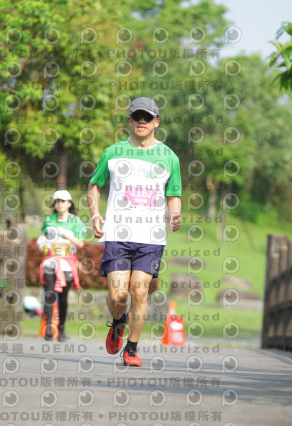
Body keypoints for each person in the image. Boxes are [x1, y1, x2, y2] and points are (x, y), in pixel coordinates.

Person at [87, 96, 182, 367]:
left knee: (139, 291)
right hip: (118, 233)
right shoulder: (113, 152)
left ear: (156, 122)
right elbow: (94, 186)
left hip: (150, 237)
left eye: (147, 117)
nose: (142, 122)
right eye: (137, 117)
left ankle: (131, 348)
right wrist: (95, 214)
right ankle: (118, 322)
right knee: (118, 295)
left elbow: (173, 194)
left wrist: (175, 214)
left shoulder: (169, 157)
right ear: (130, 121)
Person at [37, 190, 86, 341]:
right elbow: (43, 238)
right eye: (57, 201)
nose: (60, 204)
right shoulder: (49, 220)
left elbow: (80, 243)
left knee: (63, 297)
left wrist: (67, 234)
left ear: (69, 204)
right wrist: (42, 244)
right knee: (49, 294)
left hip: (67, 263)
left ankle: (62, 328)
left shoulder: (76, 222)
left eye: (63, 201)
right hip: (51, 260)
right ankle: (49, 330)